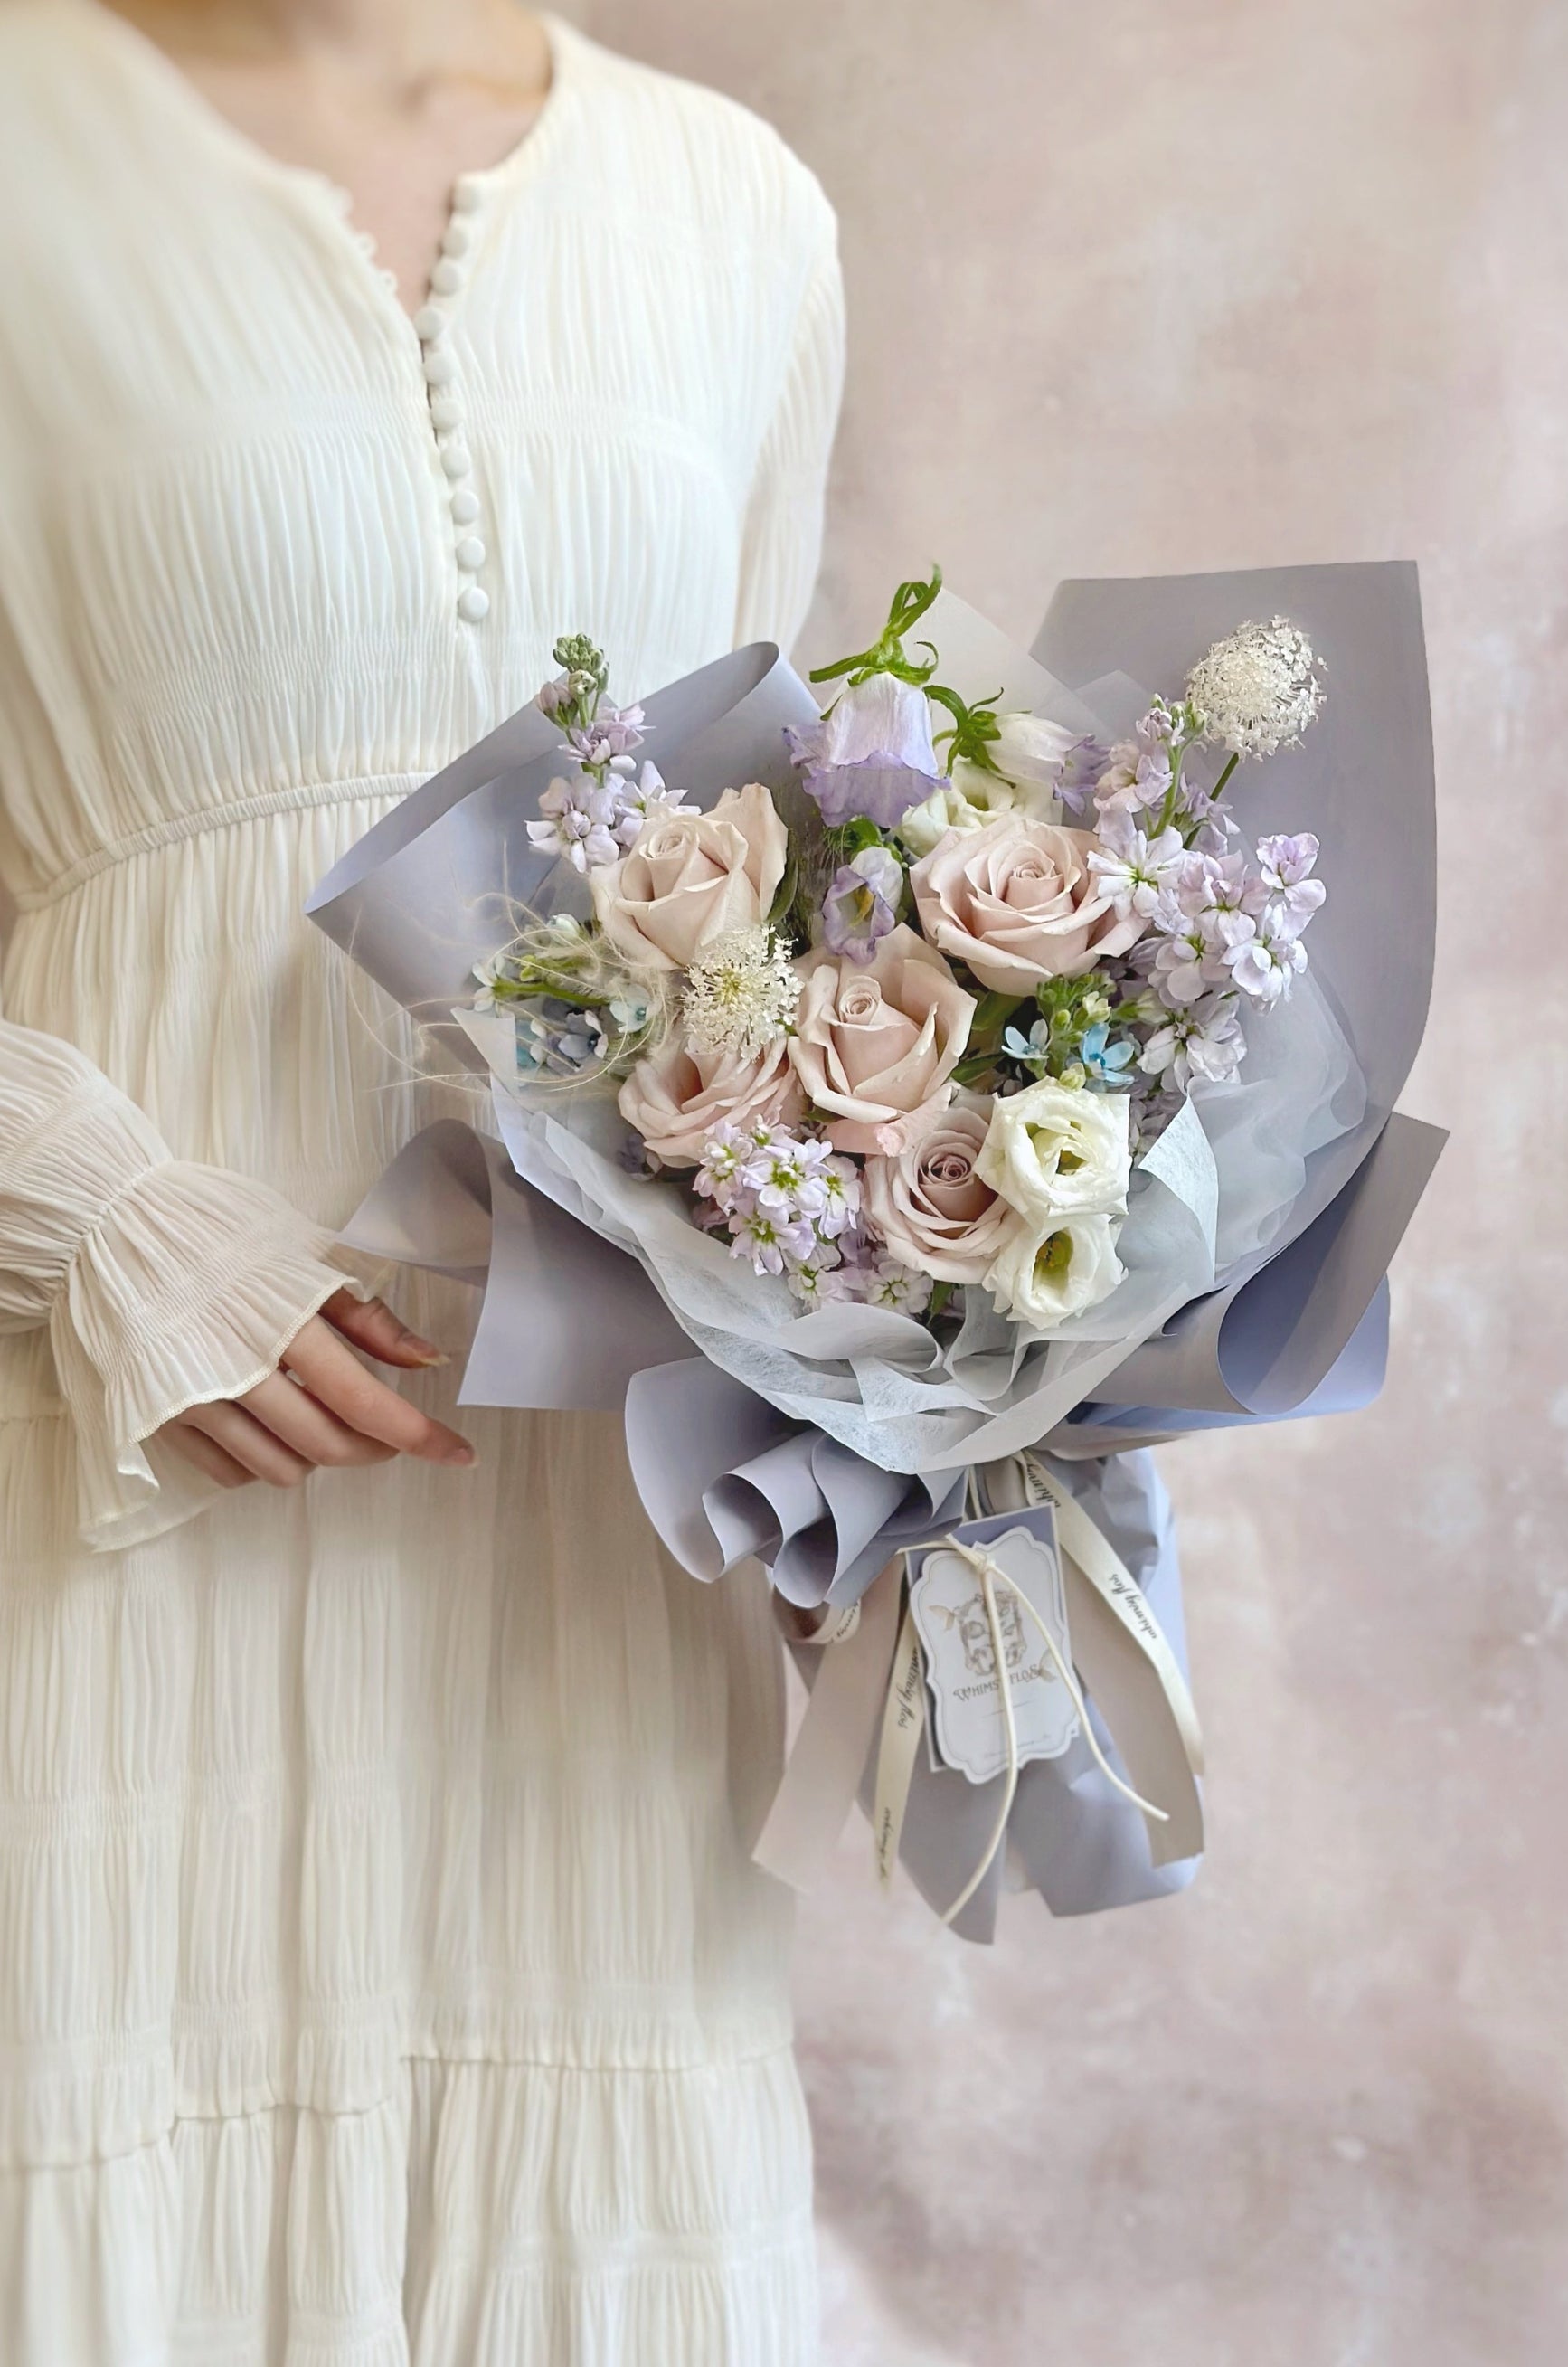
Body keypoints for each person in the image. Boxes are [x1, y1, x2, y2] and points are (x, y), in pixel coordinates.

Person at [0, 0, 844, 2355]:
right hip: (96, 1499)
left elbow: (741, 873)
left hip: (583, 1559)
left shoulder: (738, 213)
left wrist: (893, 1382)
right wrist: (92, 1214)